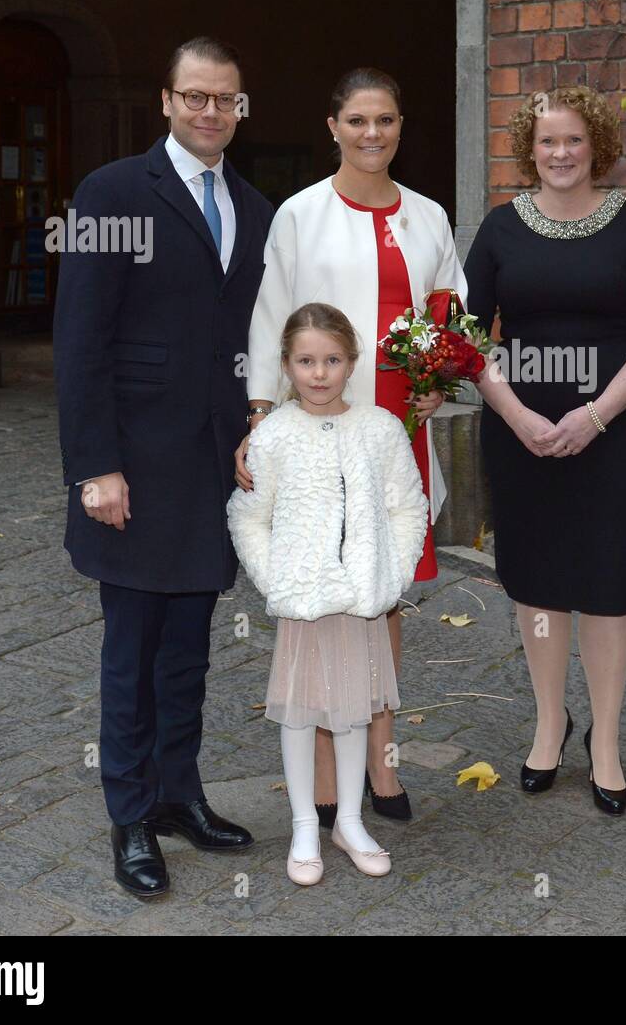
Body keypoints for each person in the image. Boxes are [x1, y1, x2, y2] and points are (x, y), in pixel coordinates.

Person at [54, 37, 272, 898]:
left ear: (240, 107)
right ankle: (130, 816)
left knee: (190, 648)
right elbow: (79, 344)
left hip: (213, 468)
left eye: (226, 99)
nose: (211, 111)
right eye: (195, 97)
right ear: (167, 100)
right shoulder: (110, 192)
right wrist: (96, 467)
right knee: (132, 650)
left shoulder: (254, 207)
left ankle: (182, 794)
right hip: (133, 471)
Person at [236, 68, 465, 827]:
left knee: (383, 590)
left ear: (402, 126)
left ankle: (382, 760)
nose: (374, 134)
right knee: (316, 592)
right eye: (359, 120)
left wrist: (442, 385)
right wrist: (261, 417)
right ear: (332, 125)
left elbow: (450, 320)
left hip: (395, 432)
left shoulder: (430, 216)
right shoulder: (299, 215)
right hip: (312, 430)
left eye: (388, 121)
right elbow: (273, 317)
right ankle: (327, 782)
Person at [463, 85, 626, 814]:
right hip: (520, 431)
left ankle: (608, 739)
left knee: (609, 583)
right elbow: (466, 333)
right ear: (530, 148)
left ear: (598, 149)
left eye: (574, 141)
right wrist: (517, 412)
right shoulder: (499, 227)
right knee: (539, 580)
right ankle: (551, 722)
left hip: (615, 433)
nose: (560, 154)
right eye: (547, 141)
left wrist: (596, 415)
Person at [227, 304, 427, 881]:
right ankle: (303, 827)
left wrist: (390, 576)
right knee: (299, 712)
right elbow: (249, 516)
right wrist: (279, 578)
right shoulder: (274, 437)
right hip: (304, 604)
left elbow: (406, 505)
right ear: (287, 365)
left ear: (352, 362)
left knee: (355, 710)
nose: (319, 373)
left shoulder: (379, 428)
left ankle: (349, 820)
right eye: (306, 361)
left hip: (362, 600)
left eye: (332, 360)